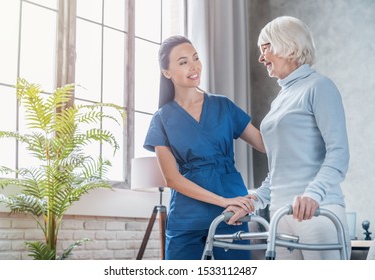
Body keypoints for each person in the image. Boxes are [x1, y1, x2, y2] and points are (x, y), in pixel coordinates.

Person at [227, 16, 351, 260]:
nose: (261, 58)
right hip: (280, 216)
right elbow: (280, 167)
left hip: (318, 212)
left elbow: (339, 153)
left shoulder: (319, 86)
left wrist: (312, 195)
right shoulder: (280, 100)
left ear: (289, 45)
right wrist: (255, 199)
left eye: (266, 48)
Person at [143, 35, 265, 260]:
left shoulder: (224, 106)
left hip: (232, 214)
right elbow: (172, 179)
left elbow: (264, 144)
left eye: (196, 58)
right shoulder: (161, 119)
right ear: (166, 72)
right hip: (187, 217)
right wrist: (222, 200)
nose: (194, 66)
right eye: (183, 62)